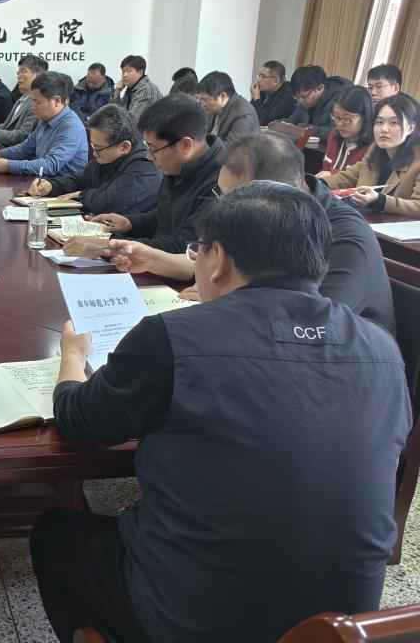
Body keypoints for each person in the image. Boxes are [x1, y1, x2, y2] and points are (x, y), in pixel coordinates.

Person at [33, 180, 408, 643]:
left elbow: (80, 422)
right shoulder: (382, 349)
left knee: (56, 533)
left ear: (220, 259)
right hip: (341, 627)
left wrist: (72, 357)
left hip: (198, 622)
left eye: (198, 250)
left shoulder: (171, 336)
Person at [109, 132, 396, 333]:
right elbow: (211, 263)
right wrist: (154, 259)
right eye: (222, 194)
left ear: (280, 193)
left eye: (237, 198)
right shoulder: (262, 217)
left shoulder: (345, 238)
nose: (226, 207)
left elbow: (306, 325)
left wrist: (226, 299)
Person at [81, 93, 223, 254]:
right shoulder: (178, 163)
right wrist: (130, 223)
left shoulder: (221, 181)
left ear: (185, 145)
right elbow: (166, 217)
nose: (149, 156)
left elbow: (188, 248)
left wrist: (109, 245)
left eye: (153, 148)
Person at [25, 104, 160, 214]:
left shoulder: (145, 166)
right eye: (93, 146)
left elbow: (110, 203)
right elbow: (80, 179)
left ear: (124, 147)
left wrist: (81, 195)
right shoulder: (106, 156)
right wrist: (52, 185)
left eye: (98, 148)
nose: (94, 153)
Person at [322, 93, 420, 216]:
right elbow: (348, 177)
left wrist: (379, 200)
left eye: (394, 123)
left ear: (410, 128)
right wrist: (316, 183)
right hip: (366, 220)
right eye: (379, 122)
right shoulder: (375, 149)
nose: (384, 129)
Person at [0, 72, 87, 176]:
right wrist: (0, 154)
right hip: (40, 181)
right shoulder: (45, 119)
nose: (33, 107)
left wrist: (9, 166)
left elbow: (50, 165)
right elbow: (27, 147)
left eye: (37, 102)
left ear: (56, 101)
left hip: (59, 185)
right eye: (33, 101)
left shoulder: (72, 127)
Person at [0, 54, 46, 146]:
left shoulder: (36, 103)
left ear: (38, 75)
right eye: (18, 72)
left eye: (23, 71)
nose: (18, 76)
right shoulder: (22, 98)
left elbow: (23, 136)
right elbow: (7, 126)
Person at [284, 65, 351, 141]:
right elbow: (294, 119)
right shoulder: (304, 101)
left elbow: (337, 132)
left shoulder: (341, 100)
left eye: (304, 97)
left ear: (320, 88)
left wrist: (308, 129)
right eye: (297, 98)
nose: (300, 101)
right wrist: (284, 124)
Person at [318, 85, 374, 175]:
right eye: (336, 116)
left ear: (365, 116)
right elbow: (325, 169)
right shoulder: (334, 134)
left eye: (347, 119)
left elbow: (363, 178)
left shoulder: (373, 145)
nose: (339, 124)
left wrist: (332, 175)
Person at [193, 71, 259, 143]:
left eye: (204, 100)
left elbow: (231, 147)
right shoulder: (214, 108)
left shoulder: (243, 114)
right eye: (200, 99)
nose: (202, 103)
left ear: (222, 96)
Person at [109, 56, 162, 121]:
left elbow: (131, 121)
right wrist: (117, 92)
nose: (124, 75)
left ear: (140, 72)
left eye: (129, 71)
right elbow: (113, 112)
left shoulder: (146, 90)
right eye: (123, 71)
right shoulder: (131, 88)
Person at [250, 60, 297, 125]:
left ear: (276, 80)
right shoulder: (263, 90)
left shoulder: (288, 95)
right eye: (259, 76)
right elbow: (247, 113)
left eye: (263, 77)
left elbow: (266, 122)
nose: (259, 80)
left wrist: (257, 98)